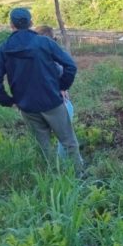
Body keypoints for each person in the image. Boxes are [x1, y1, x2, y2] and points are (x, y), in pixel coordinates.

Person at [0, 8, 84, 173]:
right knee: (69, 142)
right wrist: (62, 86)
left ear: (11, 24)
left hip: (27, 106)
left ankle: (53, 180)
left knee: (44, 148)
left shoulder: (3, 49)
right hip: (52, 102)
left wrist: (10, 101)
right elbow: (70, 66)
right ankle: (79, 176)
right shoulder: (44, 42)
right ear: (31, 22)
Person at [36, 25, 75, 157]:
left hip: (33, 103)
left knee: (42, 142)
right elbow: (70, 67)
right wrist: (62, 87)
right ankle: (72, 170)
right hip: (56, 101)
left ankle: (51, 171)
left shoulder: (29, 55)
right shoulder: (52, 54)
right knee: (67, 140)